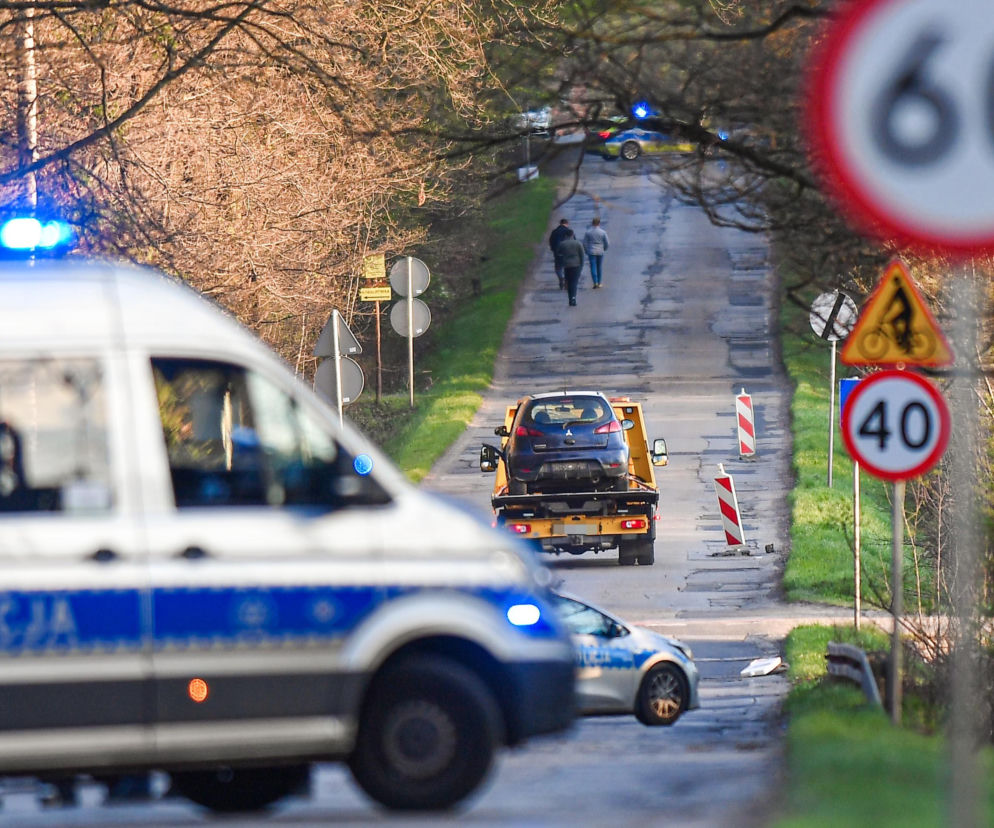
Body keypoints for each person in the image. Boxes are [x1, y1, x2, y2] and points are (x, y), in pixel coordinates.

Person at [555, 229, 585, 307]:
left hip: (567, 265)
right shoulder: (578, 243)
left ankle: (570, 299)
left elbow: (558, 253)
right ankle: (573, 298)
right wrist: (581, 265)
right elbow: (582, 255)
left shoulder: (562, 244)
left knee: (568, 282)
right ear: (572, 235)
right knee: (574, 282)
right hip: (576, 265)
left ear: (566, 236)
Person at [583, 217, 610, 288]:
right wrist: (604, 248)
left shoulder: (588, 232)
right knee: (599, 267)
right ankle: (600, 282)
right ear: (599, 223)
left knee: (593, 267)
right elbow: (607, 243)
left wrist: (586, 250)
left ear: (592, 223)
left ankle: (595, 282)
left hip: (591, 251)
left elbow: (584, 243)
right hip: (600, 250)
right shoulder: (603, 232)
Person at [548, 218, 571, 290]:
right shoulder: (568, 231)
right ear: (567, 224)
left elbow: (551, 241)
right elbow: (573, 241)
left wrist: (553, 249)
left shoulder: (554, 231)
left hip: (557, 252)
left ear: (560, 223)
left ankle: (561, 278)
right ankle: (567, 282)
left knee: (558, 267)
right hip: (567, 252)